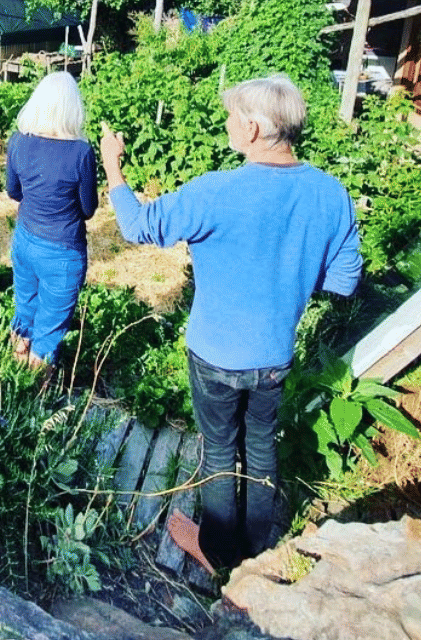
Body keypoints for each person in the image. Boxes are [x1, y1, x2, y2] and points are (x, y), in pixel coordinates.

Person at [100, 74, 363, 573]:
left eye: (232, 116)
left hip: (215, 354)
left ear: (254, 127)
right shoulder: (331, 194)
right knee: (261, 444)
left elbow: (137, 226)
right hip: (274, 356)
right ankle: (260, 551)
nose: (226, 123)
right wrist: (293, 263)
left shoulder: (218, 191)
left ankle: (219, 553)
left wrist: (113, 167)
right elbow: (344, 281)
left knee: (220, 449)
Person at [6, 72, 97, 369]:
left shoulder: (18, 141)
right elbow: (88, 209)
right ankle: (36, 404)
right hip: (62, 250)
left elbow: (13, 191)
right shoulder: (81, 152)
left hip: (25, 239)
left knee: (24, 314)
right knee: (47, 335)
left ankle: (11, 383)